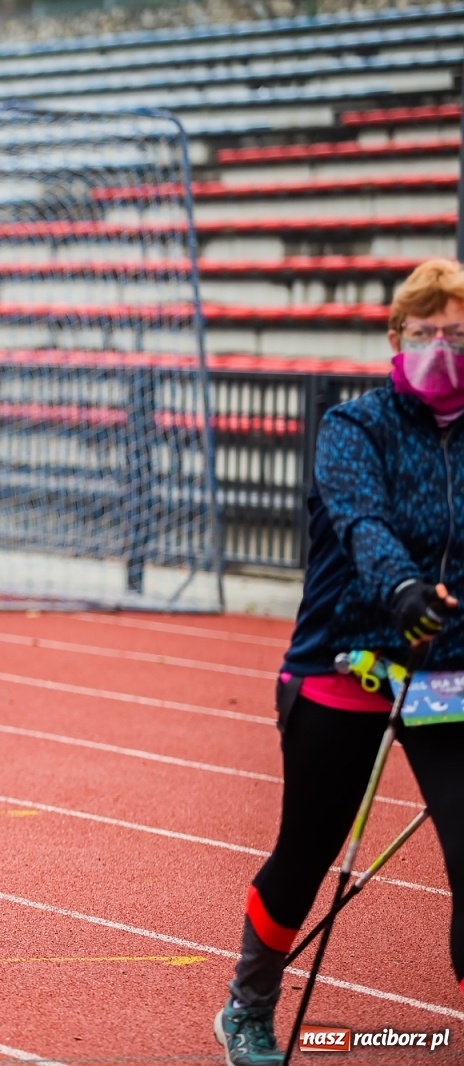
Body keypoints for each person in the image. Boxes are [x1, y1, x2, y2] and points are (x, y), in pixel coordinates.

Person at [215, 259, 464, 1066]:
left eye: (457, 334)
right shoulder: (354, 427)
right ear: (395, 340)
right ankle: (249, 1006)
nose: (441, 347)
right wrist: (400, 589)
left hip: (446, 675)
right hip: (345, 659)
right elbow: (360, 519)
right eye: (425, 333)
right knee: (307, 850)